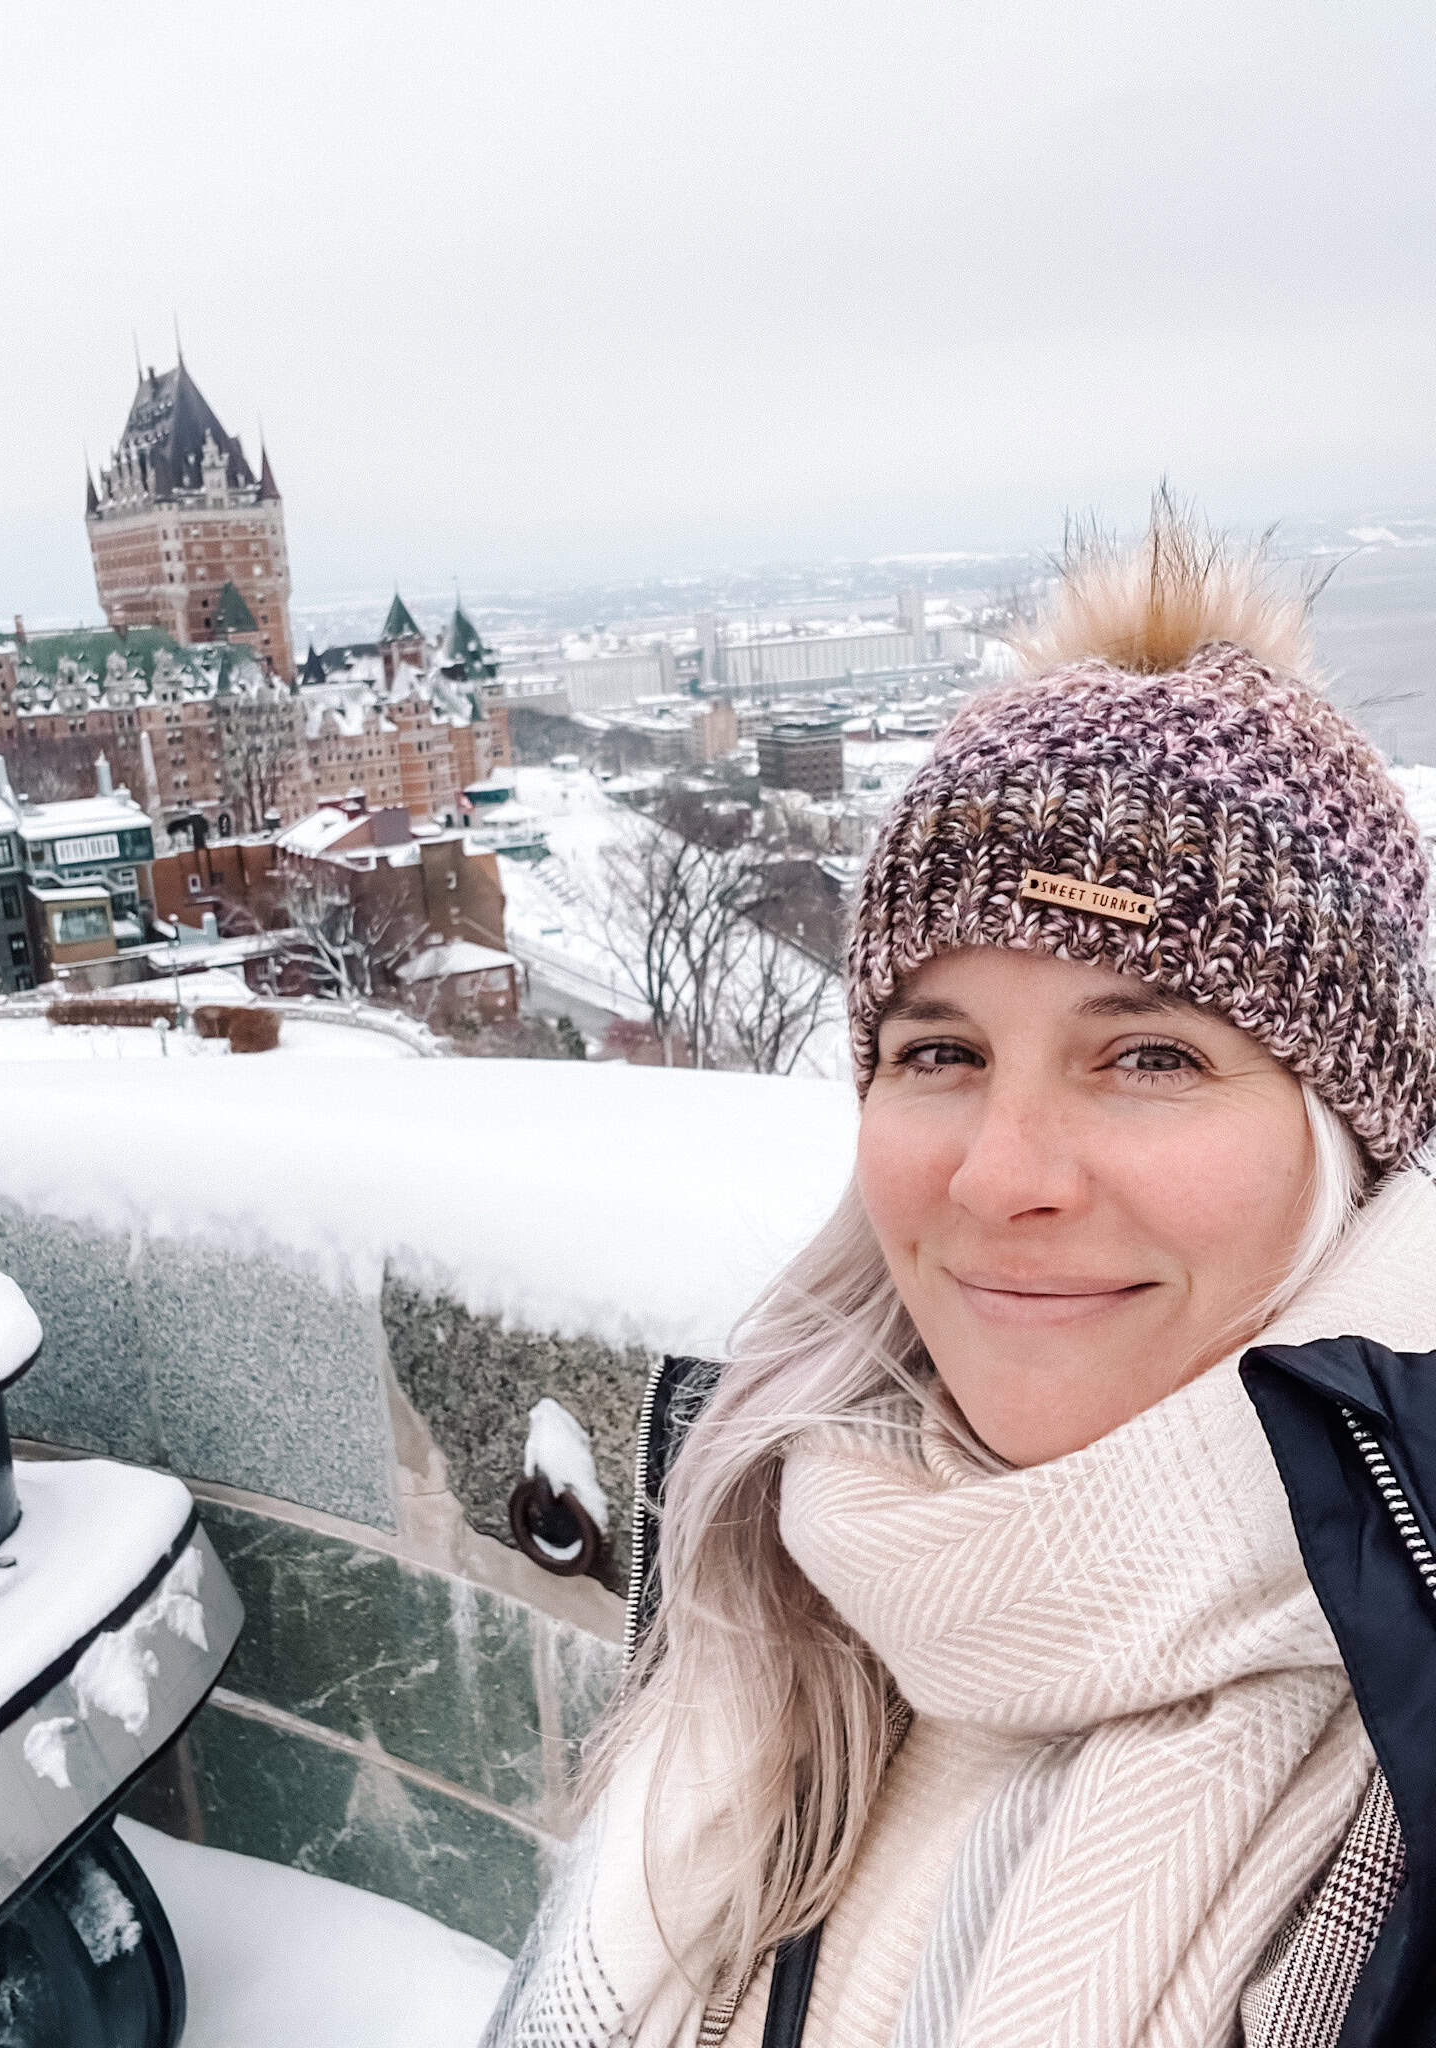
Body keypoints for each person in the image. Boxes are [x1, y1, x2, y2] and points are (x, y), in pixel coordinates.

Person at [482, 503, 1436, 2048]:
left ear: (1350, 1139)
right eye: (941, 1050)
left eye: (1149, 1054)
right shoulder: (779, 1572)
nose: (1002, 1176)